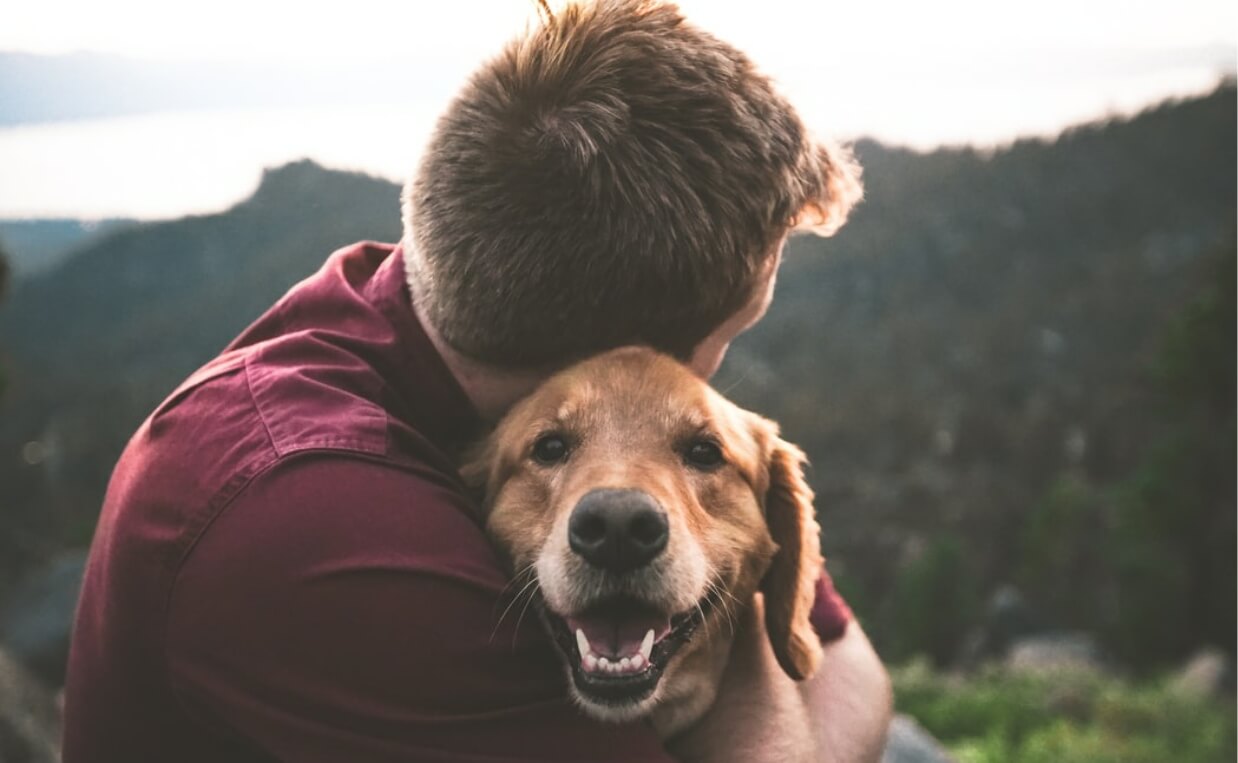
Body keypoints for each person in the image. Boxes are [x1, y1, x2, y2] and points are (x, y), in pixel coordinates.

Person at [62, 1, 891, 760]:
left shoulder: (429, 308)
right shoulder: (316, 524)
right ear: (622, 356)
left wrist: (734, 586)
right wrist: (740, 629)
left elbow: (851, 666)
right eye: (731, 334)